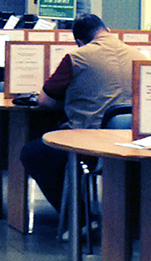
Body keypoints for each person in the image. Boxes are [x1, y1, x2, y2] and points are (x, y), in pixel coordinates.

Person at [18, 13, 140, 214]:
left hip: (90, 143)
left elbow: (45, 101)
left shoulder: (77, 57)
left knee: (33, 153)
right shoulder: (139, 56)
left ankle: (77, 216)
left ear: (80, 41)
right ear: (107, 30)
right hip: (131, 143)